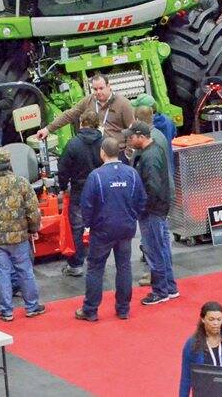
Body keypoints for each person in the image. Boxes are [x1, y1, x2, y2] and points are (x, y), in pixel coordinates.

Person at [0, 148, 46, 322]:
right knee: (25, 270)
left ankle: (6, 310)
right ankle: (32, 306)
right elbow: (33, 211)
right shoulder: (22, 183)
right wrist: (32, 229)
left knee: (2, 273)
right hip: (19, 237)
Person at [76, 137, 146, 322]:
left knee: (95, 268)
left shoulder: (96, 176)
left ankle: (90, 309)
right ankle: (123, 309)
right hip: (126, 228)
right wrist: (132, 217)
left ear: (102, 153)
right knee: (124, 267)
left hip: (102, 230)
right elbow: (141, 199)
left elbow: (87, 205)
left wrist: (89, 225)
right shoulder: (131, 173)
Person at [125, 122, 178, 305]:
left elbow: (152, 188)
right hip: (158, 209)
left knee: (155, 251)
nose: (129, 141)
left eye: (131, 137)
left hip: (152, 211)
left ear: (141, 136)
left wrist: (141, 208)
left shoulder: (149, 157)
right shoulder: (153, 151)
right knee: (162, 249)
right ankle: (169, 287)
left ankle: (161, 291)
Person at [57, 110, 103, 277]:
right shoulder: (104, 142)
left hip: (79, 191)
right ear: (97, 124)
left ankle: (76, 264)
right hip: (99, 190)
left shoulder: (73, 144)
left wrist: (62, 187)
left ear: (81, 122)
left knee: (77, 227)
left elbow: (63, 168)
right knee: (99, 225)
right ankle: (98, 261)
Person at [37, 73, 135, 147]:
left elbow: (132, 130)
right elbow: (69, 115)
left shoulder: (123, 103)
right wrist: (47, 129)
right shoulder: (89, 100)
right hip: (96, 152)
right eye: (95, 89)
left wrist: (128, 154)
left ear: (109, 86)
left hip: (117, 152)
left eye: (101, 88)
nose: (98, 92)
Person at [132, 94, 177, 176]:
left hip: (155, 173)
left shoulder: (147, 131)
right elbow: (173, 135)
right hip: (169, 169)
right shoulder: (167, 121)